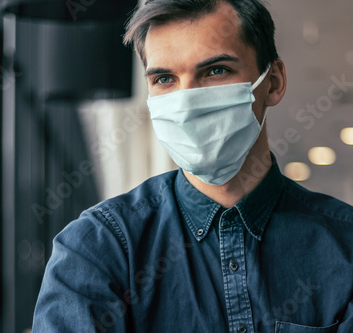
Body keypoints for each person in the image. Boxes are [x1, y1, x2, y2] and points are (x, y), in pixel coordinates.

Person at [32, 0, 353, 332]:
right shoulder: (98, 248)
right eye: (165, 79)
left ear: (272, 82)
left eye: (215, 71)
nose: (186, 104)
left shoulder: (346, 244)